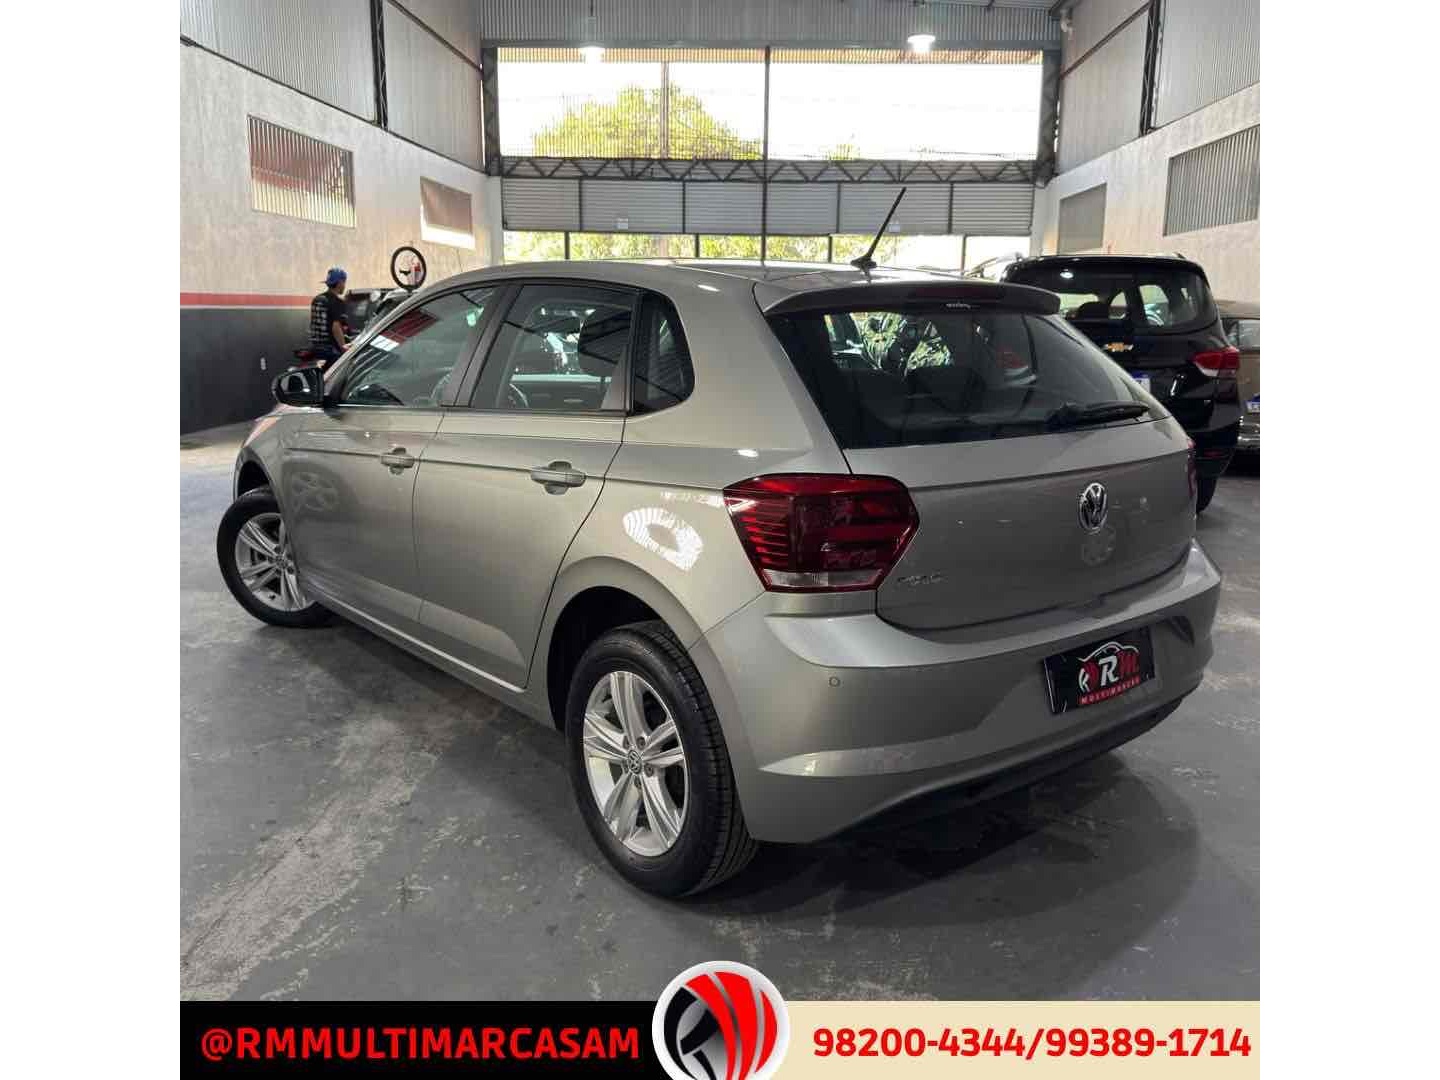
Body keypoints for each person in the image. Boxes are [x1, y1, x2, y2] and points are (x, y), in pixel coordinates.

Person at [308, 267, 350, 366]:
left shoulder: (317, 299)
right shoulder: (337, 302)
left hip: (316, 347)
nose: (344, 285)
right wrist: (344, 348)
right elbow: (336, 328)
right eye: (344, 282)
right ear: (340, 283)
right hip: (330, 349)